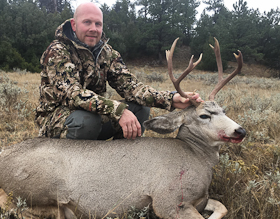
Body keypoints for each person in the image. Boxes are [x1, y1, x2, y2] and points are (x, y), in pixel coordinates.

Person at [35, 2, 202, 140]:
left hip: (94, 113)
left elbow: (131, 87)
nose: (94, 28)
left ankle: (119, 162)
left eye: (98, 24)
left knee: (140, 109)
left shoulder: (106, 52)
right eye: (87, 22)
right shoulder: (57, 51)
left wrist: (171, 98)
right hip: (57, 120)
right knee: (86, 122)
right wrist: (118, 110)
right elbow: (73, 95)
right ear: (74, 24)